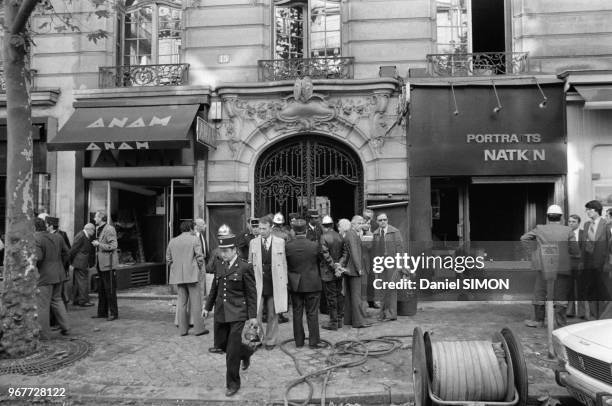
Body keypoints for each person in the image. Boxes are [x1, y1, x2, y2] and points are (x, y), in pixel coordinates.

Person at [203, 235, 257, 397]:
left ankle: (233, 383)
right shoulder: (219, 264)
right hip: (221, 312)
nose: (223, 254)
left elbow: (251, 293)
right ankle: (246, 352)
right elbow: (215, 288)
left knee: (232, 352)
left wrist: (252, 316)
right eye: (222, 251)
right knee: (221, 345)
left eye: (226, 251)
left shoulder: (245, 267)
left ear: (234, 250)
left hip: (238, 312)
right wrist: (207, 307)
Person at [520, 204, 580, 328]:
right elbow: (575, 250)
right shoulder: (568, 230)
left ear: (547, 217)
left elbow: (524, 238)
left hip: (544, 266)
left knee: (540, 293)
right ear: (561, 217)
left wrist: (534, 252)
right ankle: (561, 324)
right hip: (562, 267)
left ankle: (539, 321)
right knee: (561, 296)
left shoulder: (540, 228)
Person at [248, 215, 288, 350]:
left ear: (271, 228)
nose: (261, 231)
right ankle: (256, 339)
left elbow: (284, 264)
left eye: (264, 228)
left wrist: (285, 283)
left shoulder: (280, 242)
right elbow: (249, 264)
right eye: (259, 228)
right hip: (258, 284)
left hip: (274, 284)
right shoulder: (253, 243)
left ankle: (270, 340)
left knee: (272, 314)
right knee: (256, 315)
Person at [286, 219, 324, 347]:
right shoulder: (314, 245)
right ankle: (314, 342)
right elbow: (321, 260)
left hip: (295, 283)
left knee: (297, 313)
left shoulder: (288, 246)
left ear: (293, 231)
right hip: (312, 282)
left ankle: (299, 342)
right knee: (312, 313)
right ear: (306, 230)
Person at [167, 220, 208, 337]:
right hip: (193, 275)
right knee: (196, 303)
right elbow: (200, 257)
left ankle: (182, 330)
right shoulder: (194, 239)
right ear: (190, 228)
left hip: (178, 276)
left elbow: (168, 259)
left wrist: (176, 269)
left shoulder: (173, 241)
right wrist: (200, 269)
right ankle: (199, 329)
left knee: (182, 303)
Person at [33, 217, 70, 339]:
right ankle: (66, 327)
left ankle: (44, 334)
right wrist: (60, 265)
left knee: (42, 305)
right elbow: (67, 252)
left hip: (44, 276)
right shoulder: (57, 236)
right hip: (59, 274)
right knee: (57, 301)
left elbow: (38, 257)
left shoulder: (37, 238)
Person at [338, 217, 371, 328]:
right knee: (357, 297)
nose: (361, 225)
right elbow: (354, 252)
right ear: (353, 224)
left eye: (362, 223)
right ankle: (358, 322)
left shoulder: (350, 234)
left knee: (349, 297)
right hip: (354, 270)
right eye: (359, 223)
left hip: (349, 271)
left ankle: (348, 320)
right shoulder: (352, 234)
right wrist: (359, 268)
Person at [371, 213, 404, 321]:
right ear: (377, 222)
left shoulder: (395, 232)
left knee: (391, 290)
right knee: (382, 289)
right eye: (380, 220)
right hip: (381, 264)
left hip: (392, 265)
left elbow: (400, 250)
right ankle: (383, 313)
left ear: (387, 220)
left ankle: (392, 314)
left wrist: (400, 266)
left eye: (384, 219)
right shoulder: (375, 234)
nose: (383, 222)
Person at [582, 200, 611, 320]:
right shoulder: (586, 225)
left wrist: (607, 264)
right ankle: (593, 317)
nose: (587, 212)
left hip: (602, 264)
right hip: (588, 263)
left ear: (597, 210)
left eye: (589, 209)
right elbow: (584, 245)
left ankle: (603, 318)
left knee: (603, 291)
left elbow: (609, 248)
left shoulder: (606, 225)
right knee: (590, 290)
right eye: (586, 209)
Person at [207, 224, 233, 354]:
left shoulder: (216, 251)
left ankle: (219, 345)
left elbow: (209, 268)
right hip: (232, 294)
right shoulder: (235, 250)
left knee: (219, 323)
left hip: (221, 291)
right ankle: (228, 345)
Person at [319, 215, 347, 330]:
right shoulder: (340, 236)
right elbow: (345, 253)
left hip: (328, 272)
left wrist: (334, 266)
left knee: (331, 297)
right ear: (332, 225)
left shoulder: (323, 237)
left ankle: (333, 322)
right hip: (339, 272)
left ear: (323, 226)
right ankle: (339, 320)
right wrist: (339, 265)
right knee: (339, 295)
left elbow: (325, 255)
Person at [91, 211, 119, 321]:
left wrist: (99, 244)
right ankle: (102, 312)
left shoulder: (109, 229)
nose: (94, 219)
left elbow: (113, 245)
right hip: (101, 264)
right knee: (102, 289)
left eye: (96, 217)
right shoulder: (99, 229)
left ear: (101, 218)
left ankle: (113, 313)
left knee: (110, 289)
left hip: (108, 265)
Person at [69, 223, 96, 307]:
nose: (94, 232)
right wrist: (70, 261)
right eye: (93, 230)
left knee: (79, 282)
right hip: (80, 262)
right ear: (89, 229)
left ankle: (77, 299)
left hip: (81, 262)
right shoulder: (81, 235)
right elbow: (73, 249)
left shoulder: (85, 235)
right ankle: (83, 301)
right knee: (83, 281)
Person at [566, 214, 587, 319]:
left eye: (573, 221)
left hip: (580, 265)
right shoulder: (565, 234)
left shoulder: (584, 233)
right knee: (569, 288)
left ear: (578, 223)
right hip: (568, 265)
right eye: (569, 221)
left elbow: (586, 250)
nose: (571, 223)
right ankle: (570, 311)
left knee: (581, 289)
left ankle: (582, 312)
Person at [361, 209, 379, 309]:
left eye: (369, 217)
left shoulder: (376, 226)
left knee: (372, 280)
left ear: (372, 217)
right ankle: (362, 302)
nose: (367, 219)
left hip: (373, 256)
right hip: (363, 256)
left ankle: (371, 301)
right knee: (363, 280)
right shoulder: (360, 225)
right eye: (365, 217)